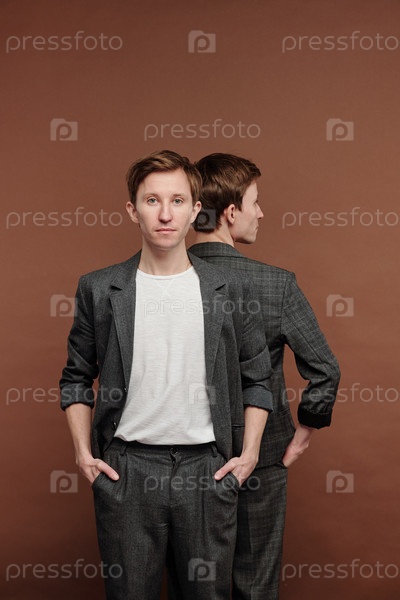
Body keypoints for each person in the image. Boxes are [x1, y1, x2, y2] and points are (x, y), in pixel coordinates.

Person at [59, 150, 273, 600]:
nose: (165, 214)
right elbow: (76, 378)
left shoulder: (231, 288)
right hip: (126, 471)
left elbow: (258, 378)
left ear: (196, 210)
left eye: (177, 201)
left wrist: (249, 454)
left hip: (208, 471)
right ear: (132, 209)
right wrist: (83, 455)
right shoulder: (99, 288)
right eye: (152, 200)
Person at [183, 153, 341, 599]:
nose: (261, 213)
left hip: (182, 460)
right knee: (255, 582)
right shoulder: (276, 284)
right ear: (231, 212)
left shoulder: (163, 281)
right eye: (255, 202)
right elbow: (325, 370)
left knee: (194, 582)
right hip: (264, 458)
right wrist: (303, 433)